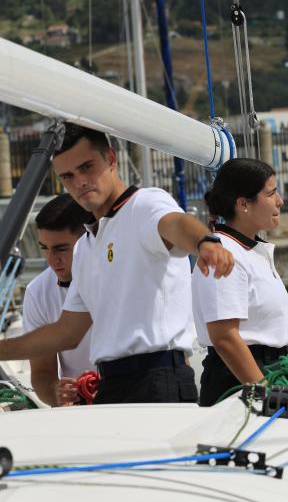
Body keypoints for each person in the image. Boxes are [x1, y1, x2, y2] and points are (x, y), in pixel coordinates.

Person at [0, 123, 235, 404]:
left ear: (111, 159)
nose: (79, 182)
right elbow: (66, 332)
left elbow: (174, 224)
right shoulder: (86, 247)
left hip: (158, 378)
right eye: (68, 176)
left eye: (87, 167)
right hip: (110, 385)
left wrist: (203, 242)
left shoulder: (145, 204)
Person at [192, 158, 288, 407]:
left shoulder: (249, 251)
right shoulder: (225, 253)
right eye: (271, 193)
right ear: (243, 204)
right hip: (239, 382)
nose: (280, 201)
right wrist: (265, 393)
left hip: (265, 373)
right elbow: (224, 336)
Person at [22, 195, 95, 406]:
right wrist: (55, 392)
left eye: (61, 249)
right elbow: (42, 371)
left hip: (137, 398)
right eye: (44, 248)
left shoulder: (123, 278)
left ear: (89, 241)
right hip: (82, 408)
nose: (52, 260)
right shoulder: (38, 292)